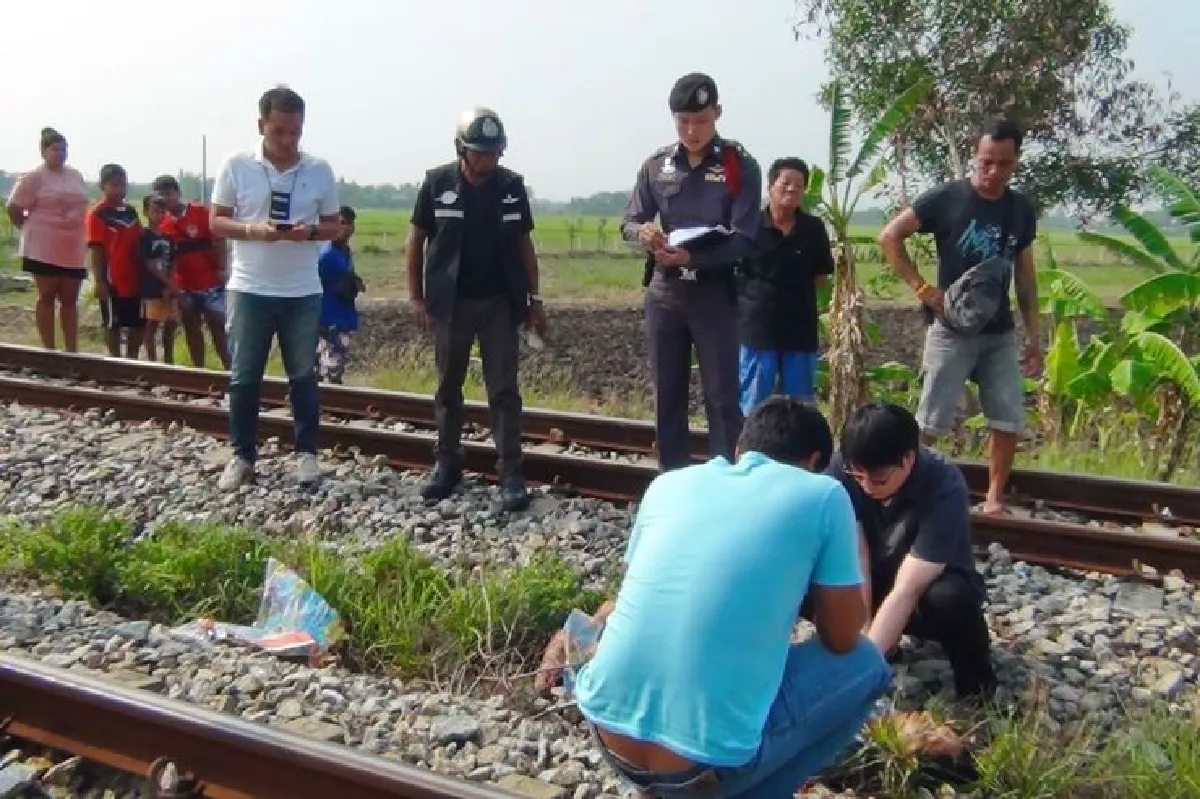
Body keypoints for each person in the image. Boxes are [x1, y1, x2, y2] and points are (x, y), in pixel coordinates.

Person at [535, 398, 891, 798]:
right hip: (702, 771)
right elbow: (842, 638)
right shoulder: (824, 495)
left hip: (608, 736)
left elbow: (632, 598)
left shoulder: (668, 484)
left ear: (739, 451)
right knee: (867, 664)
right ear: (813, 462)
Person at [877, 117, 1041, 514]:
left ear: (1016, 161)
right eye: (987, 162)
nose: (993, 171)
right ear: (974, 155)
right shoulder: (947, 198)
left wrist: (1034, 337)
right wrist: (922, 289)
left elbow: (1025, 277)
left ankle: (994, 498)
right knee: (930, 420)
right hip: (951, 327)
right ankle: (909, 496)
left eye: (1003, 164)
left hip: (999, 332)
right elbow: (890, 236)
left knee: (1007, 418)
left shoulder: (1020, 209)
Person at [406, 107, 547, 512]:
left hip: (500, 303)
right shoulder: (437, 183)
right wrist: (417, 298)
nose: (488, 159)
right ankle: (447, 463)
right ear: (462, 150)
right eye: (480, 152)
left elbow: (524, 244)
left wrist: (534, 299)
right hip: (451, 303)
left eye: (494, 152)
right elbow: (415, 240)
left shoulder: (511, 186)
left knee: (503, 390)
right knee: (448, 385)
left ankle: (511, 473)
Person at [623, 72, 763, 472]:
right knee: (667, 395)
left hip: (714, 294)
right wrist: (643, 232)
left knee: (722, 398)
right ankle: (673, 479)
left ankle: (726, 480)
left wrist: (692, 258)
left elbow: (744, 238)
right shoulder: (657, 165)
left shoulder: (739, 166)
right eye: (683, 121)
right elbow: (629, 221)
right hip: (665, 295)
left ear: (717, 114)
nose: (691, 131)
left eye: (700, 121)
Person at [209, 85, 342, 489]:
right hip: (249, 287)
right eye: (279, 131)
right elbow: (216, 221)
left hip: (301, 290)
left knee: (303, 375)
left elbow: (335, 226)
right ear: (261, 125)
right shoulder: (237, 165)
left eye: (295, 132)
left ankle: (307, 456)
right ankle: (242, 456)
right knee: (244, 376)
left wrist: (310, 232)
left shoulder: (319, 170)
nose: (287, 141)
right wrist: (253, 230)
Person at [826, 402, 996, 701]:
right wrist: (864, 638)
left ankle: (976, 689)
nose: (867, 487)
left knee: (949, 597)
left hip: (926, 591)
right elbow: (855, 558)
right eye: (858, 477)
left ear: (908, 458)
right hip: (875, 578)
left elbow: (909, 586)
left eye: (879, 479)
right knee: (811, 574)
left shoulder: (944, 483)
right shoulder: (844, 468)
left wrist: (860, 674)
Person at [737, 157, 834, 414]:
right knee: (754, 401)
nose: (792, 189)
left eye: (799, 186)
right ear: (770, 187)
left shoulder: (813, 228)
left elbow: (821, 275)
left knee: (800, 406)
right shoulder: (749, 226)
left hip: (800, 328)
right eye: (786, 183)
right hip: (758, 328)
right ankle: (749, 440)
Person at [5, 127, 89, 352]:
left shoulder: (75, 175)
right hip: (44, 245)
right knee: (47, 295)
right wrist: (26, 226)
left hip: (72, 244)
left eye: (63, 149)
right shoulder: (34, 177)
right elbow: (14, 206)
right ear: (44, 151)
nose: (60, 154)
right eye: (55, 149)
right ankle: (49, 349)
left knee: (70, 298)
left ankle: (71, 350)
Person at [153, 174, 230, 369]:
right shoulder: (163, 224)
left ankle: (230, 371)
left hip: (210, 282)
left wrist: (222, 268)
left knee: (218, 327)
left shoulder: (201, 212)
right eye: (161, 196)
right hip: (184, 286)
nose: (166, 199)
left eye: (168, 194)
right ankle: (198, 371)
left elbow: (218, 240)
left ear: (178, 193)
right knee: (191, 328)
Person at [85, 164, 145, 359]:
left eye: (122, 184)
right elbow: (96, 248)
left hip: (134, 277)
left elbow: (138, 241)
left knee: (137, 323)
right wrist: (100, 280)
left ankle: (132, 360)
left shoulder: (131, 212)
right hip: (112, 279)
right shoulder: (98, 213)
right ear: (102, 185)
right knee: (113, 323)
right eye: (114, 185)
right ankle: (115, 360)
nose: (119, 189)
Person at [316, 205, 363, 384]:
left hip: (342, 318)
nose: (346, 227)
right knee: (330, 370)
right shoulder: (326, 254)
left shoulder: (344, 251)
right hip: (327, 320)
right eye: (342, 222)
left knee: (333, 369)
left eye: (350, 223)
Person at [139, 194, 179, 363]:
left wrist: (171, 284)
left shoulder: (168, 237)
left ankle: (169, 360)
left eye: (162, 212)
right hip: (152, 287)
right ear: (146, 212)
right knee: (152, 324)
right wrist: (167, 283)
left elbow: (174, 260)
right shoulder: (144, 236)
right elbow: (149, 264)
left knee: (171, 324)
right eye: (155, 211)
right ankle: (152, 361)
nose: (159, 215)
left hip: (168, 286)